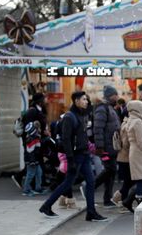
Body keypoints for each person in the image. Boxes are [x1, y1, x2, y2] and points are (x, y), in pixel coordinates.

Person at [39, 91, 107, 221]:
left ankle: (91, 212)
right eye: (84, 99)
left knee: (91, 182)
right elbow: (66, 140)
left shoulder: (81, 115)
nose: (86, 102)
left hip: (84, 154)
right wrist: (70, 160)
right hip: (76, 156)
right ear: (76, 101)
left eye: (87, 99)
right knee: (67, 183)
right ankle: (46, 206)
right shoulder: (70, 117)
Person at [12, 92, 48, 189]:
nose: (45, 101)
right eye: (43, 99)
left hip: (37, 140)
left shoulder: (40, 110)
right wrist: (40, 132)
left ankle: (38, 184)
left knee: (38, 161)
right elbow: (28, 127)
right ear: (39, 101)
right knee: (33, 161)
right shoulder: (32, 111)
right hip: (31, 142)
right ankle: (20, 178)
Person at [93, 85, 121, 208]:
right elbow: (98, 128)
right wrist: (100, 147)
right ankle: (90, 186)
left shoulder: (110, 108)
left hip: (111, 147)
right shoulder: (102, 109)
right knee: (110, 170)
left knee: (111, 172)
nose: (117, 97)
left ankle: (107, 199)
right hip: (105, 148)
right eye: (116, 95)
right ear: (111, 96)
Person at [112, 112, 135, 212]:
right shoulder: (127, 125)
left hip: (124, 157)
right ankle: (121, 201)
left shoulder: (124, 123)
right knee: (129, 181)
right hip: (126, 157)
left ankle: (119, 199)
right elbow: (126, 143)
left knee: (129, 181)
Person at [22, 121, 44, 197]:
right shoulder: (31, 139)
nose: (38, 129)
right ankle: (26, 190)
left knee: (39, 173)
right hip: (32, 160)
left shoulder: (35, 137)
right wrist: (32, 161)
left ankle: (38, 188)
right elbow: (30, 152)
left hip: (35, 159)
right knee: (30, 174)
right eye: (36, 128)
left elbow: (36, 150)